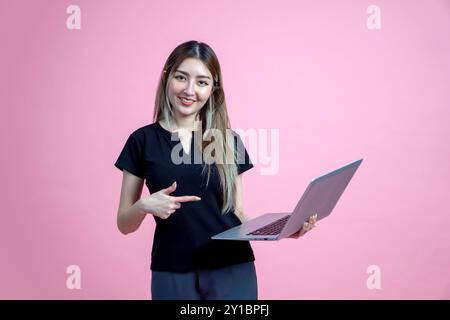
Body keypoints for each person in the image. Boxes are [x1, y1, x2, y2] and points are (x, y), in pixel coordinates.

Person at [114, 40, 317, 300]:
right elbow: (124, 225)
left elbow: (237, 211)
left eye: (202, 82)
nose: (189, 90)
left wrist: (283, 229)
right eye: (181, 77)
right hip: (172, 271)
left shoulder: (228, 140)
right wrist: (144, 206)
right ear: (167, 77)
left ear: (213, 89)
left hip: (232, 268)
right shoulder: (141, 141)